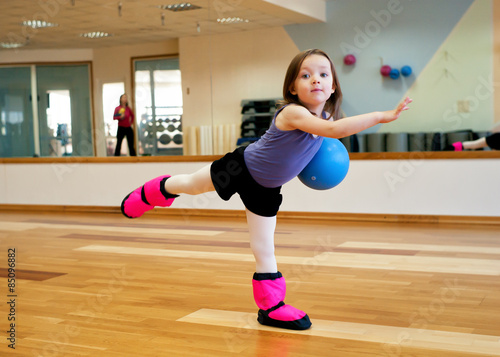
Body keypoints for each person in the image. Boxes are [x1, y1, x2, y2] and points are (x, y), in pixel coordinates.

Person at [121, 49, 412, 330]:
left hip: (266, 188)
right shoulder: (293, 113)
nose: (316, 80)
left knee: (263, 246)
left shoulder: (325, 120)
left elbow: (331, 130)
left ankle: (271, 307)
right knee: (191, 185)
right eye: (306, 75)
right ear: (293, 87)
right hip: (240, 169)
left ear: (333, 85)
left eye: (323, 74)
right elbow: (336, 132)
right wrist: (381, 115)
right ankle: (150, 193)